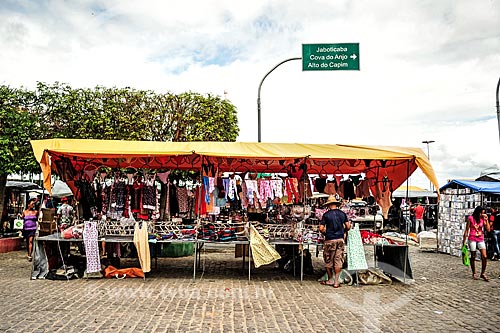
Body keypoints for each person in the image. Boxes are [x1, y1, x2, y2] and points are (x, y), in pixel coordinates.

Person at [319, 195, 351, 287]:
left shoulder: (326, 215)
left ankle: (330, 279)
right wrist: (343, 231)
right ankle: (336, 282)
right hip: (340, 239)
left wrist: (326, 233)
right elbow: (348, 226)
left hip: (330, 239)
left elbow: (321, 228)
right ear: (336, 204)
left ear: (328, 205)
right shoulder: (342, 214)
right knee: (338, 260)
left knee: (328, 260)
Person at [462, 206, 490, 281]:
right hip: (472, 238)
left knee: (484, 256)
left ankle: (483, 273)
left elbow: (488, 229)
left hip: (480, 238)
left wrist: (486, 220)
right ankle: (474, 272)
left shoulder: (482, 219)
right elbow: (467, 230)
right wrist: (464, 241)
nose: (482, 214)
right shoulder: (470, 218)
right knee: (473, 255)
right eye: (482, 213)